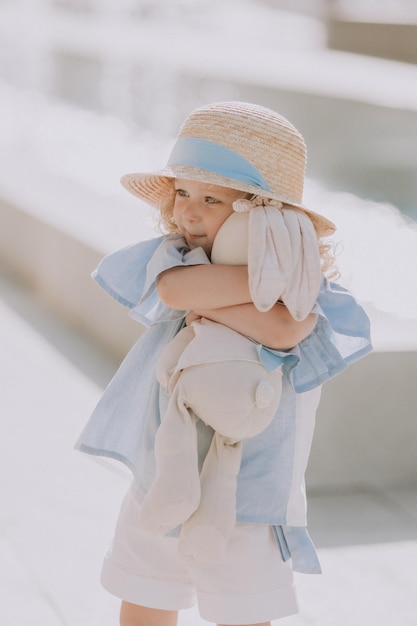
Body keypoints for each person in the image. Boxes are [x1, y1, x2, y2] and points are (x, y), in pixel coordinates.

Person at [76, 101, 372, 626]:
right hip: (164, 468)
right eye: (183, 192)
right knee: (146, 593)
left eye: (212, 198)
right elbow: (176, 290)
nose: (188, 211)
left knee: (242, 607)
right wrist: (273, 282)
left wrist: (271, 289)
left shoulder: (310, 293)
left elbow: (286, 328)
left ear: (263, 209)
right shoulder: (178, 256)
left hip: (250, 489)